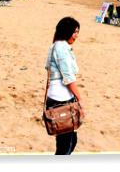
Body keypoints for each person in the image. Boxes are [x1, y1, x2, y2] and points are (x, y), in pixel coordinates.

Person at [44, 17, 83, 155]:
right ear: (67, 31)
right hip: (61, 100)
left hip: (56, 97)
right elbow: (68, 77)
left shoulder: (55, 45)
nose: (76, 35)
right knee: (65, 146)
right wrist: (79, 98)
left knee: (70, 141)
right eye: (75, 32)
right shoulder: (61, 47)